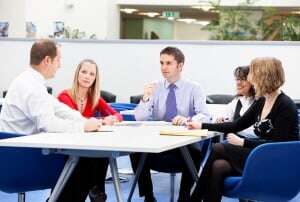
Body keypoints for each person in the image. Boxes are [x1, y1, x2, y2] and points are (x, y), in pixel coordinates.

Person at [0, 39, 105, 202]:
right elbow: (48, 124)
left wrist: (84, 120)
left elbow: (57, 107)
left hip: (12, 158)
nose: (60, 65)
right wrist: (83, 126)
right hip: (22, 161)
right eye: (58, 59)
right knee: (84, 161)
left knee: (85, 161)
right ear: (47, 60)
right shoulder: (32, 87)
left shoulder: (28, 80)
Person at [187, 57, 299, 202]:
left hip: (276, 161)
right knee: (219, 166)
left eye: (252, 74)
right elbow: (236, 125)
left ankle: (194, 199)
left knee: (219, 148)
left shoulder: (285, 105)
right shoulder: (263, 100)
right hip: (260, 155)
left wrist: (242, 143)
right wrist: (202, 125)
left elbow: (276, 145)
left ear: (263, 76)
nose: (250, 79)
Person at [131, 46, 210, 202]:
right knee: (135, 152)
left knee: (194, 152)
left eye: (168, 63)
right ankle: (148, 196)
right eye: (161, 63)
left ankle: (184, 196)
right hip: (158, 143)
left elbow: (206, 116)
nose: (163, 67)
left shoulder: (194, 88)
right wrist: (145, 98)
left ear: (180, 65)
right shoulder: (155, 87)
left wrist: (188, 120)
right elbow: (139, 117)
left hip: (184, 145)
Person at [57, 59, 123, 201]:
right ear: (77, 74)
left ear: (95, 79)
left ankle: (96, 190)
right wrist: (100, 121)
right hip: (66, 147)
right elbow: (78, 120)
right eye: (84, 72)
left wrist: (111, 119)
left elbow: (117, 115)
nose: (87, 76)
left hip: (84, 146)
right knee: (94, 156)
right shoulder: (65, 96)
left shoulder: (94, 98)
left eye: (92, 74)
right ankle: (96, 190)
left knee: (102, 150)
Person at [215, 65, 256, 138]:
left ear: (252, 82)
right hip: (235, 140)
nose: (238, 83)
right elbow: (224, 116)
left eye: (243, 79)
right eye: (237, 79)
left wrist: (232, 126)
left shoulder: (258, 101)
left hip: (250, 143)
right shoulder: (237, 101)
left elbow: (254, 132)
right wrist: (221, 119)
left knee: (218, 147)